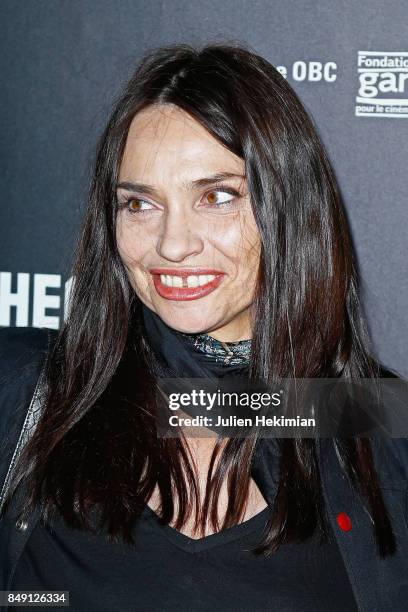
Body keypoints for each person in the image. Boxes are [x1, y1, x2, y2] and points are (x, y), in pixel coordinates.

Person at [0, 42, 407, 612]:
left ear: (289, 208)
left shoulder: (374, 417)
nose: (172, 244)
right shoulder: (27, 392)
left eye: (216, 197)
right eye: (139, 204)